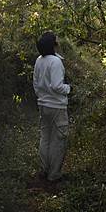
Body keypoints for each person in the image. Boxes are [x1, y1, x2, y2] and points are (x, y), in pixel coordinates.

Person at [33, 31, 71, 183]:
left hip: (43, 104)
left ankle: (45, 169)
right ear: (53, 44)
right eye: (57, 41)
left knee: (45, 138)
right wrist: (68, 88)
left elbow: (36, 84)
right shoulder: (55, 62)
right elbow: (56, 86)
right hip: (56, 106)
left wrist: (42, 97)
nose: (58, 43)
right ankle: (54, 175)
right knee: (58, 139)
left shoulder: (39, 60)